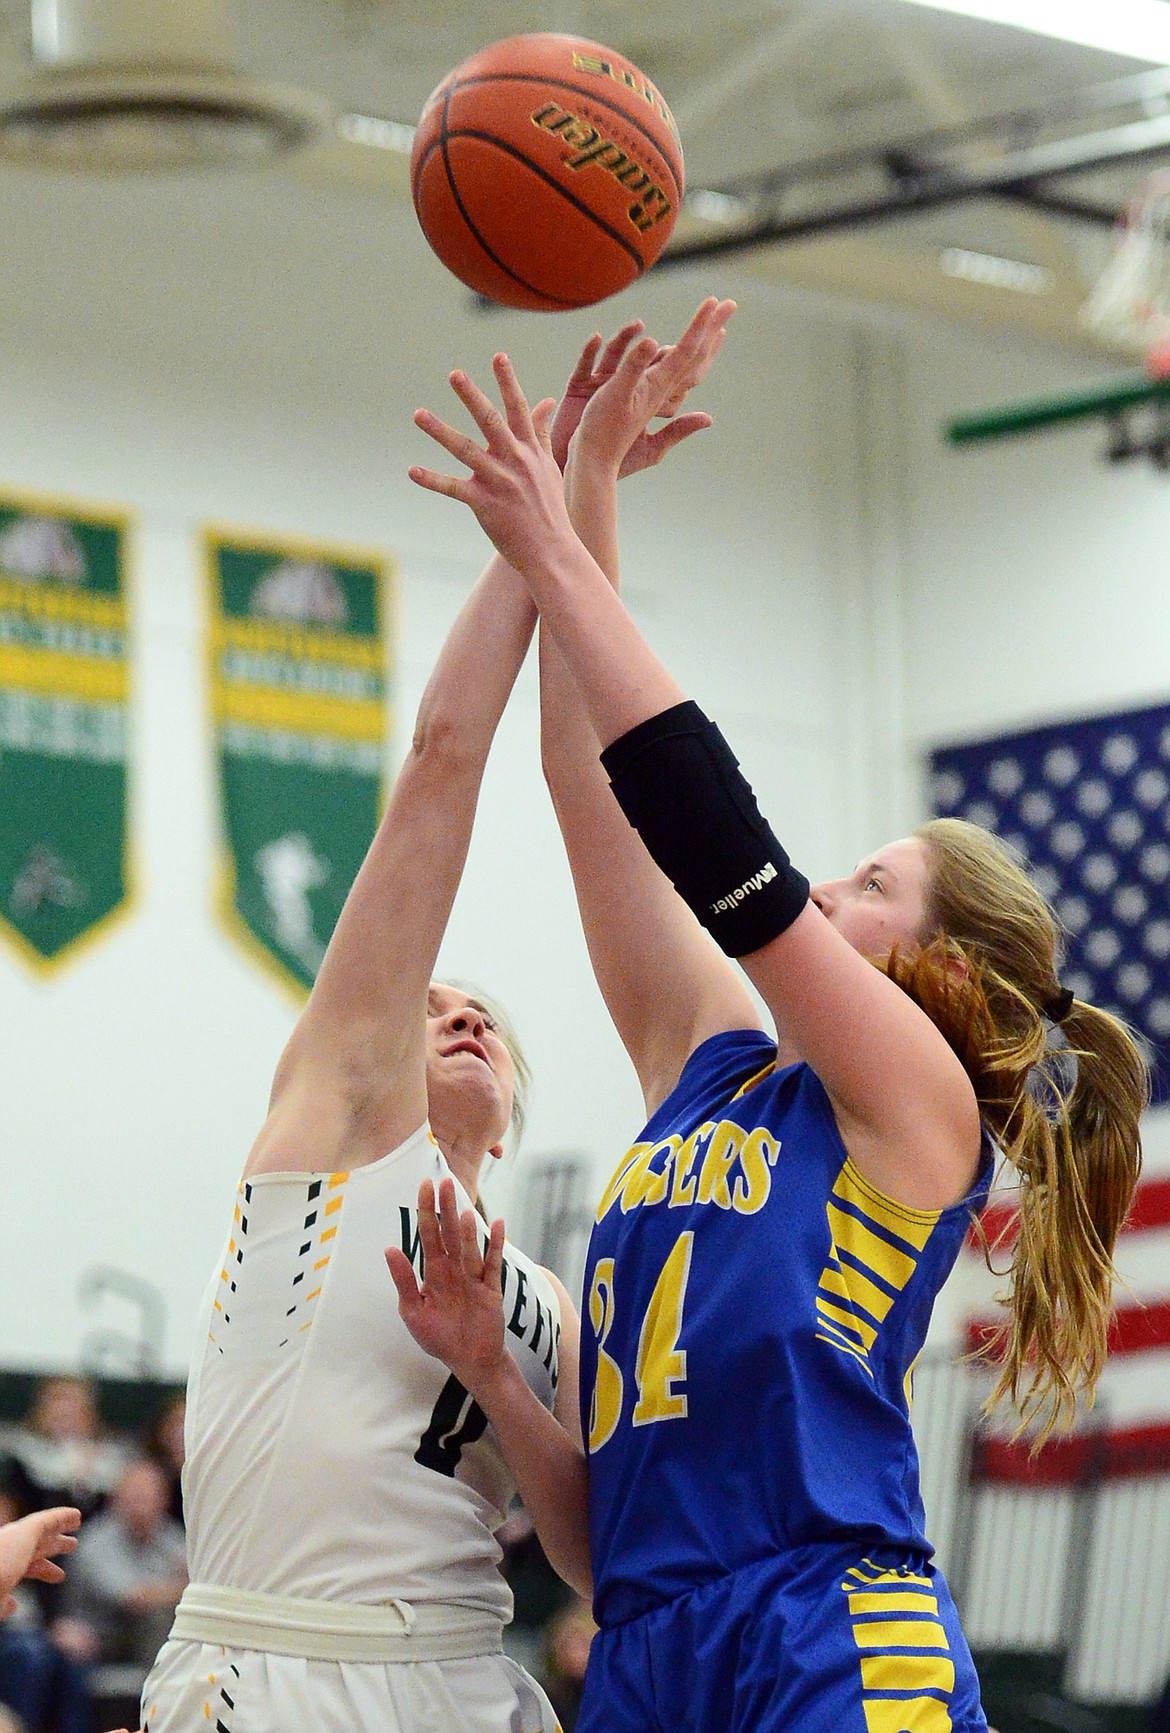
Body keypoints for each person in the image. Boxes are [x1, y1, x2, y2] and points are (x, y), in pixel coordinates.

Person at [393, 336, 1148, 1733]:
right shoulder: (711, 1069)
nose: (822, 883)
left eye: (871, 886)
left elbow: (709, 833)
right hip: (648, 1645)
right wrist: (592, 481)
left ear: (937, 969)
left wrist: (551, 548)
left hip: (827, 1632)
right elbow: (595, 789)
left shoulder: (918, 1101)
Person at [139, 308, 725, 1733]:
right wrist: (541, 536)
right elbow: (443, 765)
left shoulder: (543, 1296)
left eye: (484, 1015)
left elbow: (591, 1538)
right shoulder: (332, 1136)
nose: (453, 1013)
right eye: (431, 1002)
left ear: (516, 1091)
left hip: (468, 1677)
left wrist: (486, 1367)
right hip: (278, 1663)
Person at [55, 1457, 186, 1669]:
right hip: (97, 1638)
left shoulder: (171, 1535)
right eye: (135, 1495)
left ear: (164, 1501)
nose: (142, 1504)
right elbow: (133, 1599)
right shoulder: (95, 1540)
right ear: (115, 1498)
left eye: (150, 1496)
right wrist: (183, 1589)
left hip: (146, 1635)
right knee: (161, 1616)